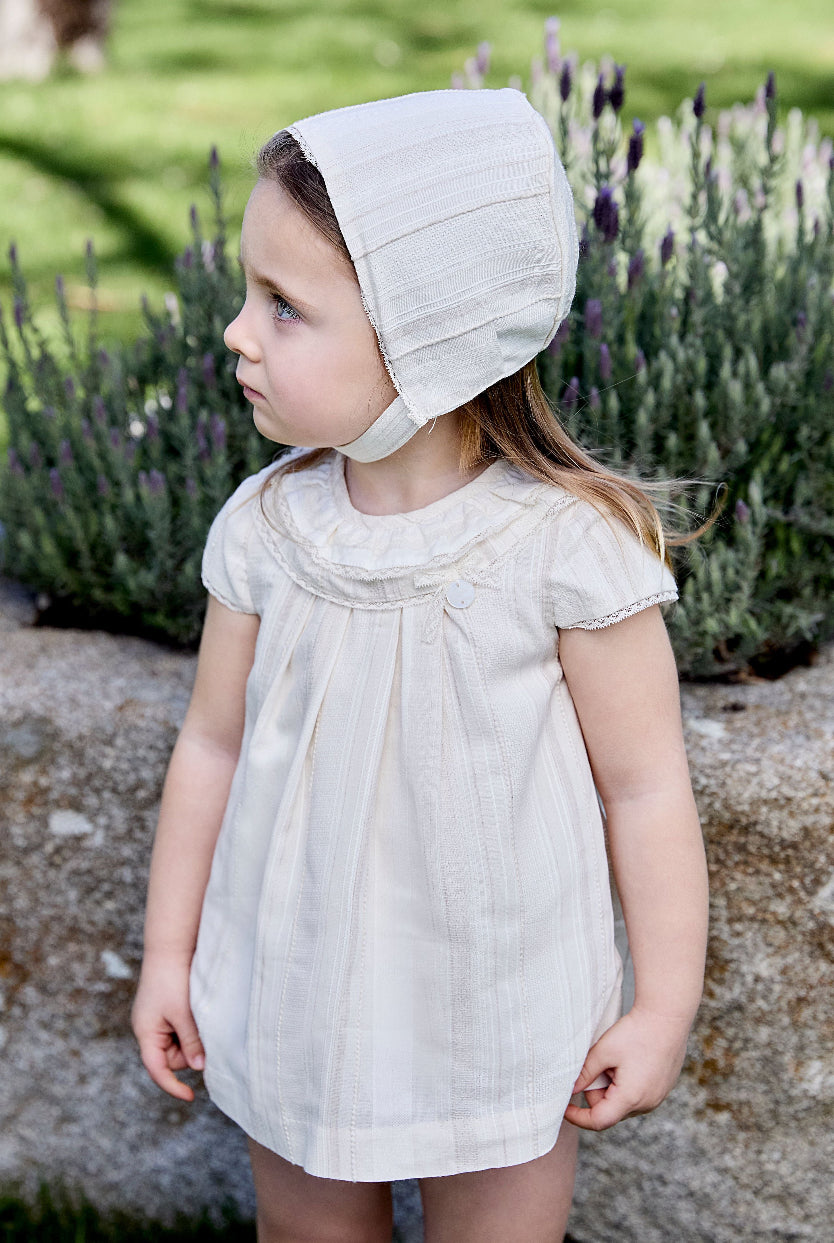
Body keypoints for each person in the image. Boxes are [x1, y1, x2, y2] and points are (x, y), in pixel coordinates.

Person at [131, 87, 709, 1243]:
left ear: (430, 338)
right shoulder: (269, 530)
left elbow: (643, 787)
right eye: (252, 296)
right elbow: (214, 741)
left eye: (284, 308)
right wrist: (169, 957)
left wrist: (663, 1005)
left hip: (499, 998)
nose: (238, 333)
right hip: (294, 976)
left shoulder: (560, 551)